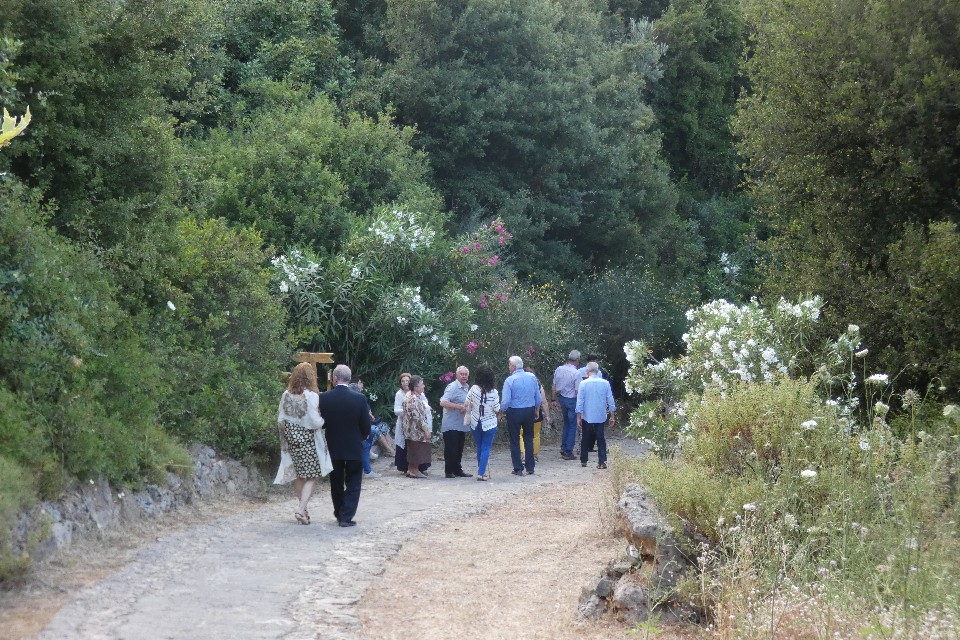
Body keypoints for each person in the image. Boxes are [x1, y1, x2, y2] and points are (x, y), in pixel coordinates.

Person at [276, 362, 332, 525]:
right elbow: (314, 421)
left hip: (291, 440)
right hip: (308, 440)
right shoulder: (311, 396)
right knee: (312, 475)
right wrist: (323, 421)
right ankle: (300, 510)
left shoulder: (286, 394)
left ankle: (304, 509)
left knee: (299, 475)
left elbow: (281, 417)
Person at [317, 364, 371, 527]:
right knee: (354, 481)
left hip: (334, 444)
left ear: (334, 379)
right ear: (349, 379)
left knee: (336, 481)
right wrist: (362, 437)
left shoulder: (324, 398)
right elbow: (366, 425)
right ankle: (346, 516)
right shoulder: (359, 399)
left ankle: (339, 512)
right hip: (354, 445)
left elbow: (322, 423)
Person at [501, 355, 542, 476]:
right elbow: (538, 397)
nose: (509, 367)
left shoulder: (510, 380)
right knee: (528, 437)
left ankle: (518, 468)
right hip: (529, 410)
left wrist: (502, 410)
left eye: (509, 365)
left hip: (514, 411)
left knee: (514, 439)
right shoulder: (532, 377)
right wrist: (536, 409)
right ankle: (530, 466)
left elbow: (506, 401)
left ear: (513, 367)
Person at [348, 378, 392, 479]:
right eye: (360, 383)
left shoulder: (346, 403)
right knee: (369, 438)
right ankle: (367, 471)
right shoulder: (360, 402)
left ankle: (372, 453)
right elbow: (366, 419)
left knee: (375, 430)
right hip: (354, 435)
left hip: (350, 433)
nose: (362, 385)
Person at [576, 362, 616, 469]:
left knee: (585, 437)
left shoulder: (583, 383)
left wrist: (578, 416)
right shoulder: (605, 383)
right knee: (600, 437)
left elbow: (580, 401)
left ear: (587, 371)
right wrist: (612, 415)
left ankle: (584, 460)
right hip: (600, 414)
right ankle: (602, 461)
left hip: (587, 414)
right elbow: (610, 400)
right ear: (598, 370)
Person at [466, 365, 500, 481]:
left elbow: (467, 402)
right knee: (486, 448)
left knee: (480, 446)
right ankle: (481, 473)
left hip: (475, 422)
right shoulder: (494, 392)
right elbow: (497, 408)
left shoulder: (473, 389)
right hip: (489, 423)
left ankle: (481, 470)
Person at [439, 366, 472, 478]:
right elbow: (443, 402)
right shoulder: (452, 387)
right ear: (457, 375)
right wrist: (458, 407)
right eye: (461, 374)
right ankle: (448, 471)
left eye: (465, 374)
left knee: (459, 448)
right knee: (451, 449)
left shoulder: (467, 387)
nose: (464, 376)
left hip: (461, 424)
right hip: (451, 424)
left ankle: (458, 470)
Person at [401, 375, 433, 478]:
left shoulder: (409, 395)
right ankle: (414, 470)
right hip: (415, 430)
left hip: (410, 429)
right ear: (415, 387)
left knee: (413, 449)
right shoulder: (414, 399)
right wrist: (426, 430)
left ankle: (411, 469)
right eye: (421, 384)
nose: (424, 386)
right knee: (417, 449)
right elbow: (418, 417)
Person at [552, 350, 581, 460]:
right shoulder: (576, 373)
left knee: (566, 424)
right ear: (577, 360)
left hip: (562, 398)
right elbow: (578, 391)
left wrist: (553, 399)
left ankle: (563, 447)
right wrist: (581, 405)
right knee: (573, 425)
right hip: (572, 400)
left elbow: (554, 385)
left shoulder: (559, 369)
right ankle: (568, 451)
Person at [519, 366, 549, 462]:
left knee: (521, 434)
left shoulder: (519, 384)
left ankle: (524, 455)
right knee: (536, 434)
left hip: (521, 411)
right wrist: (547, 415)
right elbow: (543, 401)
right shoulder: (538, 385)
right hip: (536, 412)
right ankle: (534, 455)